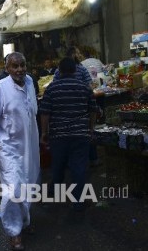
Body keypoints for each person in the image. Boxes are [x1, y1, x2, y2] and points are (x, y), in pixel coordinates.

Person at [0, 52, 40, 250]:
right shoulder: (0, 88)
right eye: (15, 66)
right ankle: (14, 233)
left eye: (22, 65)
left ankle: (24, 221)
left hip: (30, 147)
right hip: (9, 149)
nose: (20, 69)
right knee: (13, 189)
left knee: (29, 185)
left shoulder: (30, 82)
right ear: (7, 69)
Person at [39, 57, 98, 211]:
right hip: (80, 134)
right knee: (78, 167)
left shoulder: (52, 88)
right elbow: (93, 110)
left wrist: (44, 133)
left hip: (59, 135)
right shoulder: (85, 88)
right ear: (74, 70)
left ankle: (54, 193)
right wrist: (91, 129)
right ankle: (78, 200)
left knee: (58, 165)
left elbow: (45, 113)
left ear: (60, 70)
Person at [53, 46, 100, 166]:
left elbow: (54, 86)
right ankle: (92, 159)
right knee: (86, 132)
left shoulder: (59, 70)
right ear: (73, 54)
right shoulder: (81, 69)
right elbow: (90, 86)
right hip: (81, 105)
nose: (79, 55)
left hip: (65, 108)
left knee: (69, 135)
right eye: (78, 53)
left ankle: (71, 161)